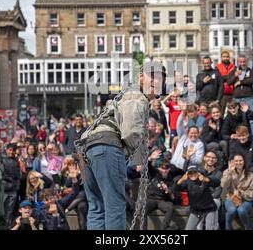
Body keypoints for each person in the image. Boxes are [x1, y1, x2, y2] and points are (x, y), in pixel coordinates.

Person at [76, 62, 166, 230]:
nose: (155, 81)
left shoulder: (125, 95)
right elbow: (130, 132)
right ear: (140, 77)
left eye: (160, 78)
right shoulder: (138, 97)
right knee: (115, 206)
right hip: (108, 146)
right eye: (151, 76)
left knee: (97, 207)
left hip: (88, 148)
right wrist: (125, 155)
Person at [175, 164, 220, 230]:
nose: (192, 175)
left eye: (194, 172)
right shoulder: (187, 182)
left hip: (209, 209)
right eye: (190, 173)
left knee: (209, 228)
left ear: (198, 173)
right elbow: (174, 189)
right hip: (196, 210)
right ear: (187, 174)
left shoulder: (203, 179)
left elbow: (217, 182)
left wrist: (206, 179)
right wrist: (181, 179)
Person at [221, 153, 253, 230]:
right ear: (233, 162)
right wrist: (229, 172)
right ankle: (228, 228)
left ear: (244, 162)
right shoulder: (227, 172)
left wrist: (241, 193)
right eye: (236, 161)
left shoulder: (251, 175)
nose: (238, 163)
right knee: (232, 210)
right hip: (231, 198)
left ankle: (247, 228)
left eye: (240, 160)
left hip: (246, 200)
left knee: (241, 210)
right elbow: (223, 185)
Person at [227, 55, 253, 139]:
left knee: (251, 119)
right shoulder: (234, 71)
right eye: (240, 62)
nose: (242, 63)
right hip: (237, 98)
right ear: (238, 62)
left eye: (244, 61)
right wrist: (235, 76)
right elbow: (229, 82)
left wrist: (241, 82)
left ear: (246, 62)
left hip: (248, 97)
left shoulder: (250, 71)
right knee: (237, 118)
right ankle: (239, 137)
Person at [144, 160, 178, 230]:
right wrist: (150, 159)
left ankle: (164, 228)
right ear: (159, 168)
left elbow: (172, 198)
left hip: (161, 200)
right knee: (143, 208)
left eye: (166, 169)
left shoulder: (171, 180)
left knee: (170, 208)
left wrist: (167, 191)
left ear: (169, 169)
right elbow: (148, 166)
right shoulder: (155, 174)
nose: (164, 171)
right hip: (151, 198)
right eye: (162, 168)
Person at [59, 158, 87, 230]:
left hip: (82, 197)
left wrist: (77, 174)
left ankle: (68, 209)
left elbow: (82, 188)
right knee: (81, 203)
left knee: (82, 204)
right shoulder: (65, 175)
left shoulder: (82, 173)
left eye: (73, 164)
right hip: (72, 198)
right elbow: (63, 187)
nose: (71, 166)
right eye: (69, 165)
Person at [1, 143, 21, 229]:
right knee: (3, 211)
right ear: (6, 150)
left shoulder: (16, 160)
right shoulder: (2, 160)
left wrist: (17, 186)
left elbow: (18, 175)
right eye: (10, 150)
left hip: (13, 189)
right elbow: (1, 173)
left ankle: (8, 227)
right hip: (4, 189)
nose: (11, 152)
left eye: (13, 150)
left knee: (10, 211)